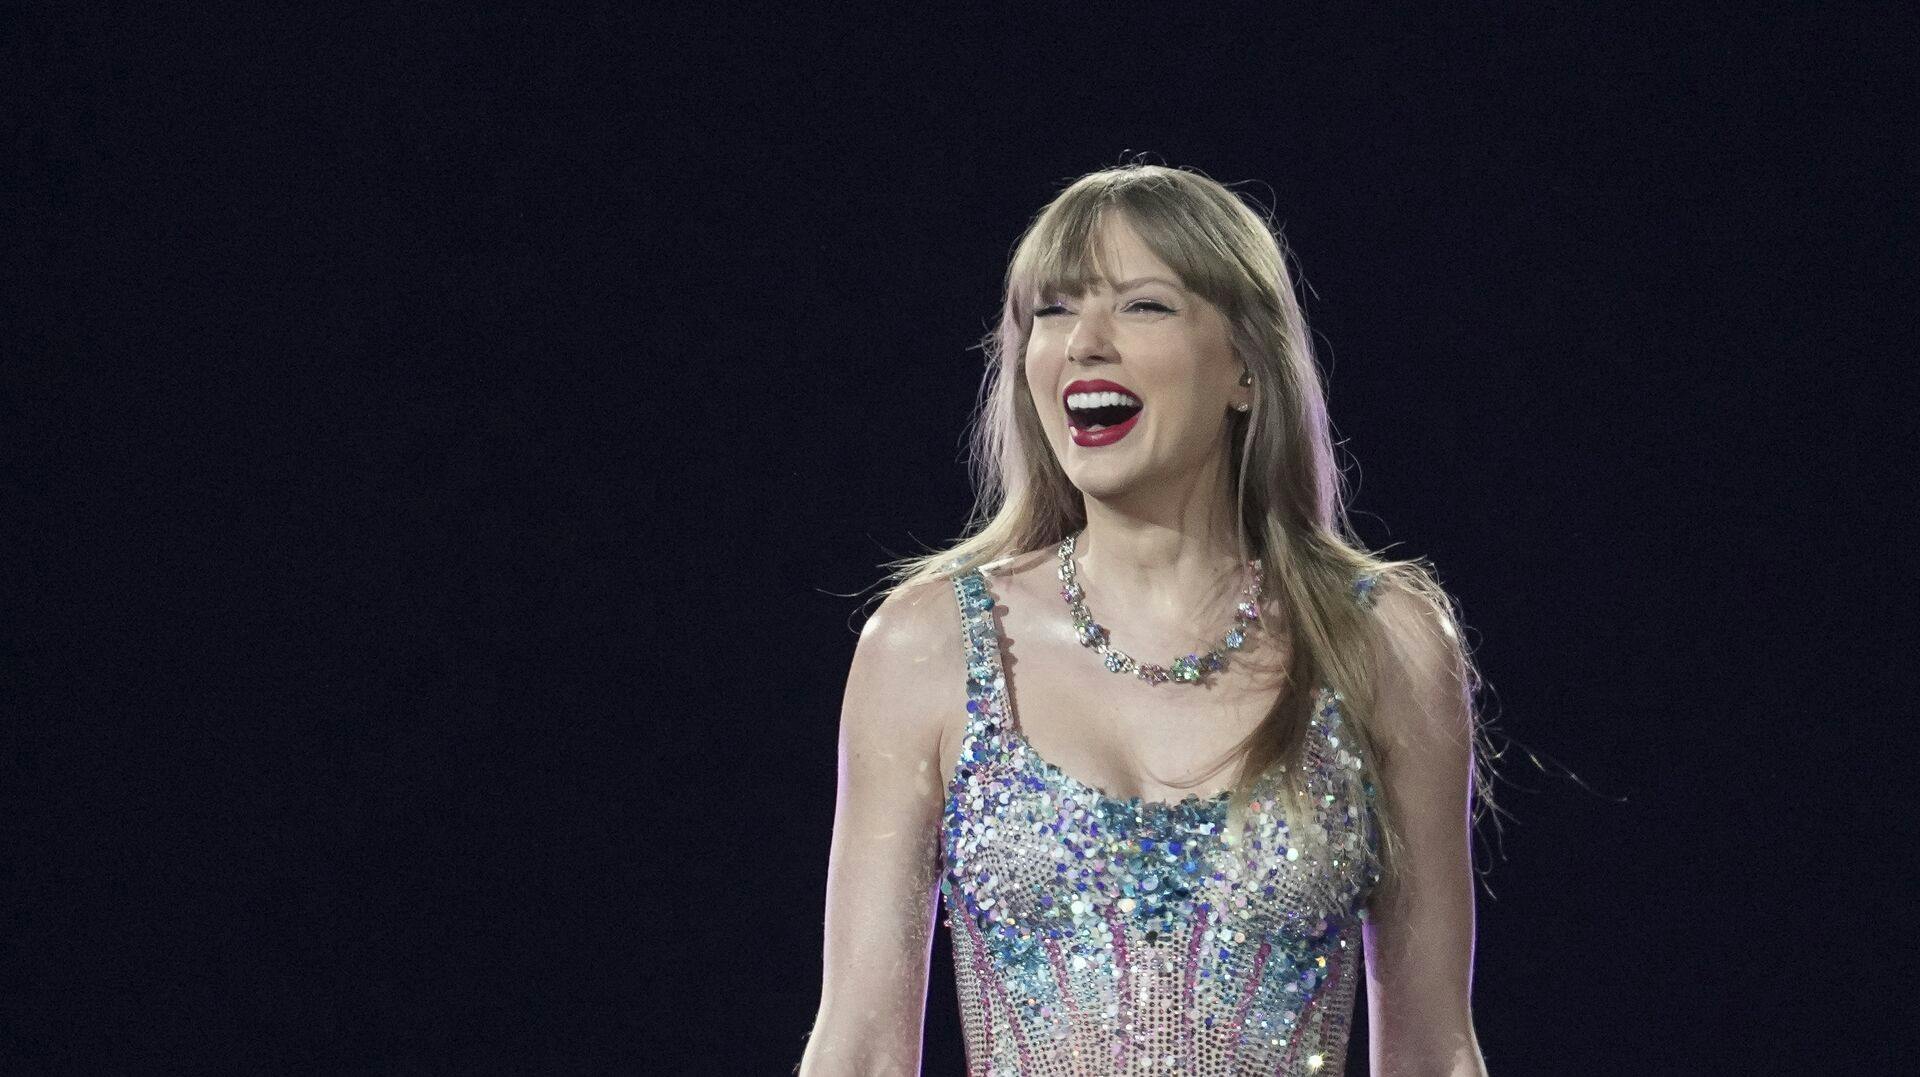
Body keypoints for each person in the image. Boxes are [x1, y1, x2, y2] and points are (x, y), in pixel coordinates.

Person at [799, 163, 1495, 1076]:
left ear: (1246, 365)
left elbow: (1434, 1051)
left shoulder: (1382, 642)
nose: (1084, 342)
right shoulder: (926, 643)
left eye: (1143, 306)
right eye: (1051, 310)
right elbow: (856, 1050)